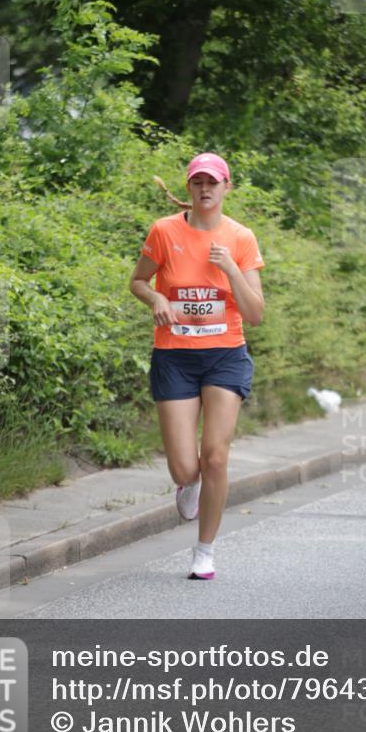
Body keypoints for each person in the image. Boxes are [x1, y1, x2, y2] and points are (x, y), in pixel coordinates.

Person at [129, 152, 265, 580]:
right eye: (198, 182)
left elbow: (255, 314)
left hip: (225, 356)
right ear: (188, 188)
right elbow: (137, 281)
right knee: (187, 468)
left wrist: (231, 270)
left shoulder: (240, 238)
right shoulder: (165, 231)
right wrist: (157, 297)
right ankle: (189, 484)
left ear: (227, 187)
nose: (205, 189)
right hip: (175, 357)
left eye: (213, 182)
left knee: (216, 458)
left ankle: (204, 551)